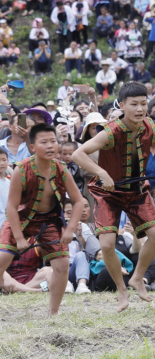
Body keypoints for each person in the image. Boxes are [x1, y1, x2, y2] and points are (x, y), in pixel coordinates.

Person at [73, 82, 155, 312]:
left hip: (136, 190)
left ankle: (137, 278)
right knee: (106, 244)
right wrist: (102, 172)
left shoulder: (150, 128)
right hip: (108, 193)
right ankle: (122, 289)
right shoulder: (110, 131)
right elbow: (78, 154)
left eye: (143, 104)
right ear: (123, 105)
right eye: (134, 104)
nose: (139, 109)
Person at [0, 123, 86, 314]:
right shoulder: (20, 170)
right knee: (2, 258)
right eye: (44, 142)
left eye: (53, 141)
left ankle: (53, 311)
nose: (50, 146)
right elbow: (12, 208)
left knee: (62, 265)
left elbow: (79, 202)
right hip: (21, 219)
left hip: (49, 221)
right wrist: (20, 238)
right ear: (32, 147)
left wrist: (70, 229)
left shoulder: (61, 169)